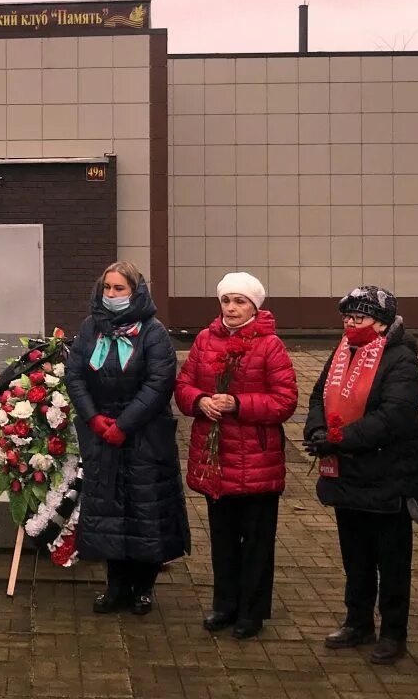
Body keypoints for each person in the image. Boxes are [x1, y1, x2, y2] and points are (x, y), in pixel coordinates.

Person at [303, 286, 418, 665]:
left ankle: (393, 632)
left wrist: (341, 440)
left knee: (390, 562)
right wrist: (316, 432)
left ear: (382, 322)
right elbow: (318, 397)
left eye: (359, 317)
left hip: (387, 475)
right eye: (347, 317)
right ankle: (357, 622)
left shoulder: (400, 359)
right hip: (347, 475)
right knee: (355, 557)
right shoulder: (343, 351)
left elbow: (395, 415)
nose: (351, 324)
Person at [173, 272, 298, 640]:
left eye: (240, 301)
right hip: (217, 458)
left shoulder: (270, 345)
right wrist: (200, 401)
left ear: (255, 306)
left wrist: (239, 404)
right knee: (223, 538)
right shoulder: (204, 339)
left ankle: (252, 611)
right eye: (226, 300)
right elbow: (183, 385)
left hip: (256, 460)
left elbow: (285, 400)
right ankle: (224, 605)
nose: (231, 308)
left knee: (257, 540)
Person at [65, 262, 189, 616]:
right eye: (108, 288)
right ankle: (115, 585)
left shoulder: (153, 332)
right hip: (102, 434)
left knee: (145, 511)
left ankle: (144, 587)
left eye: (120, 289)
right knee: (109, 511)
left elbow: (158, 383)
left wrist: (125, 424)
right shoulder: (92, 328)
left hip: (144, 437)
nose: (112, 295)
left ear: (135, 292)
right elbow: (75, 374)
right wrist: (94, 417)